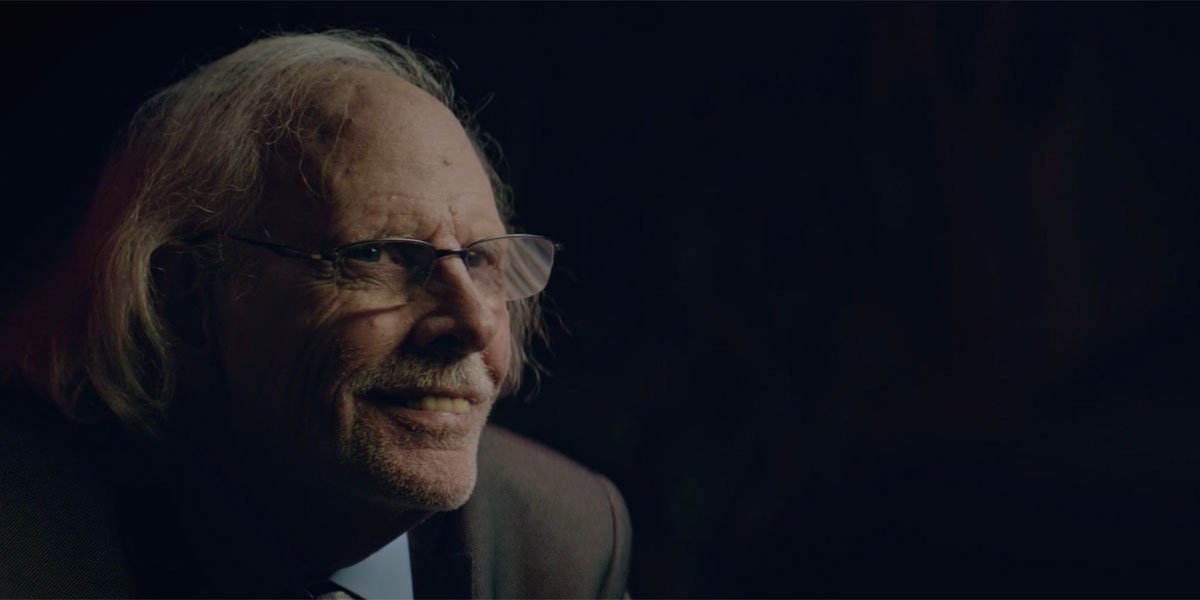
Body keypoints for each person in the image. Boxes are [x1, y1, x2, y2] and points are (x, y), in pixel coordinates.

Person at [0, 30, 631, 599]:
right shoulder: (30, 553)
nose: (474, 325)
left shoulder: (564, 539)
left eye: (479, 260)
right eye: (377, 254)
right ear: (185, 298)